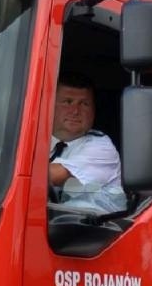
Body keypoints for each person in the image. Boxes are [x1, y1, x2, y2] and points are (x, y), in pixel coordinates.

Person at [49, 75, 126, 213]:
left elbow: (51, 175)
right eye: (67, 102)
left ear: (94, 111)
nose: (75, 111)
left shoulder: (101, 147)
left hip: (89, 226)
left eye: (84, 104)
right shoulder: (33, 139)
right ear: (48, 106)